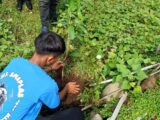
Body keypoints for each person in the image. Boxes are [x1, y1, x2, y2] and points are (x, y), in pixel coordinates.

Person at [0, 32, 83, 120]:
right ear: (50, 59)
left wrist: (50, 68)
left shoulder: (16, 62)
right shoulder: (47, 84)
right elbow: (54, 104)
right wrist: (67, 88)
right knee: (76, 113)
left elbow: (29, 76)